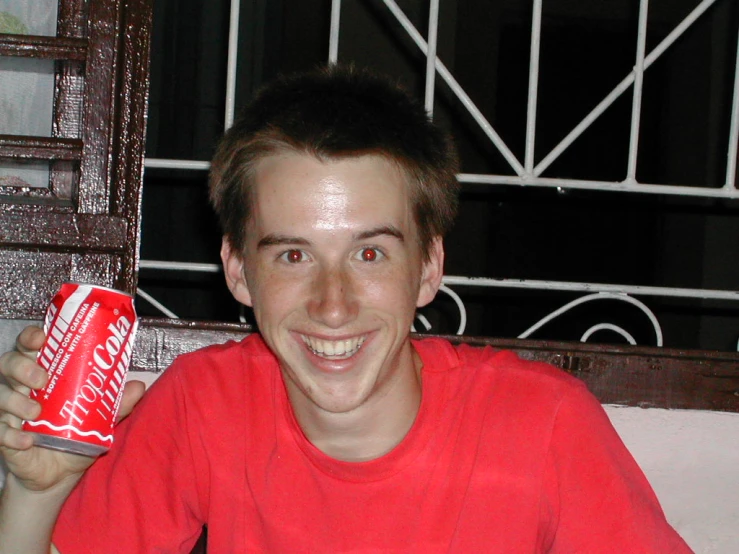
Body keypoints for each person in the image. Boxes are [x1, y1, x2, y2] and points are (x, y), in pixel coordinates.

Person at [0, 65, 692, 553]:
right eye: (292, 256)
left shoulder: (542, 424)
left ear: (428, 267)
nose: (332, 307)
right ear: (238, 271)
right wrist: (37, 494)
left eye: (369, 254)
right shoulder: (204, 404)